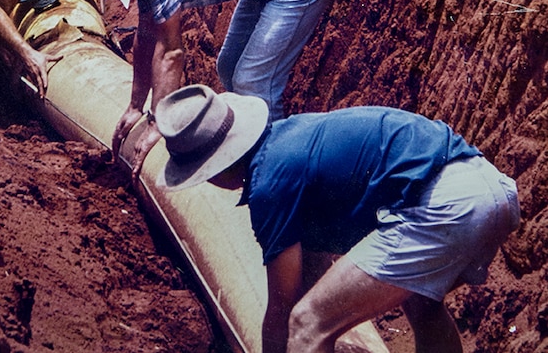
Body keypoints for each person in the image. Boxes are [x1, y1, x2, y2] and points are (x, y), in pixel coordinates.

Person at [154, 84, 520, 353]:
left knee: (307, 324)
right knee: (421, 301)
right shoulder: (292, 140)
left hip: (442, 208)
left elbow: (284, 308)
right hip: (488, 188)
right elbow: (308, 275)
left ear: (213, 170)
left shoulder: (270, 184)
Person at [47, 0, 343, 178]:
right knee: (228, 67)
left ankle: (277, 177)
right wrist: (135, 106)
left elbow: (171, 51)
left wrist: (157, 124)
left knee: (253, 82)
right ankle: (252, 158)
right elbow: (147, 34)